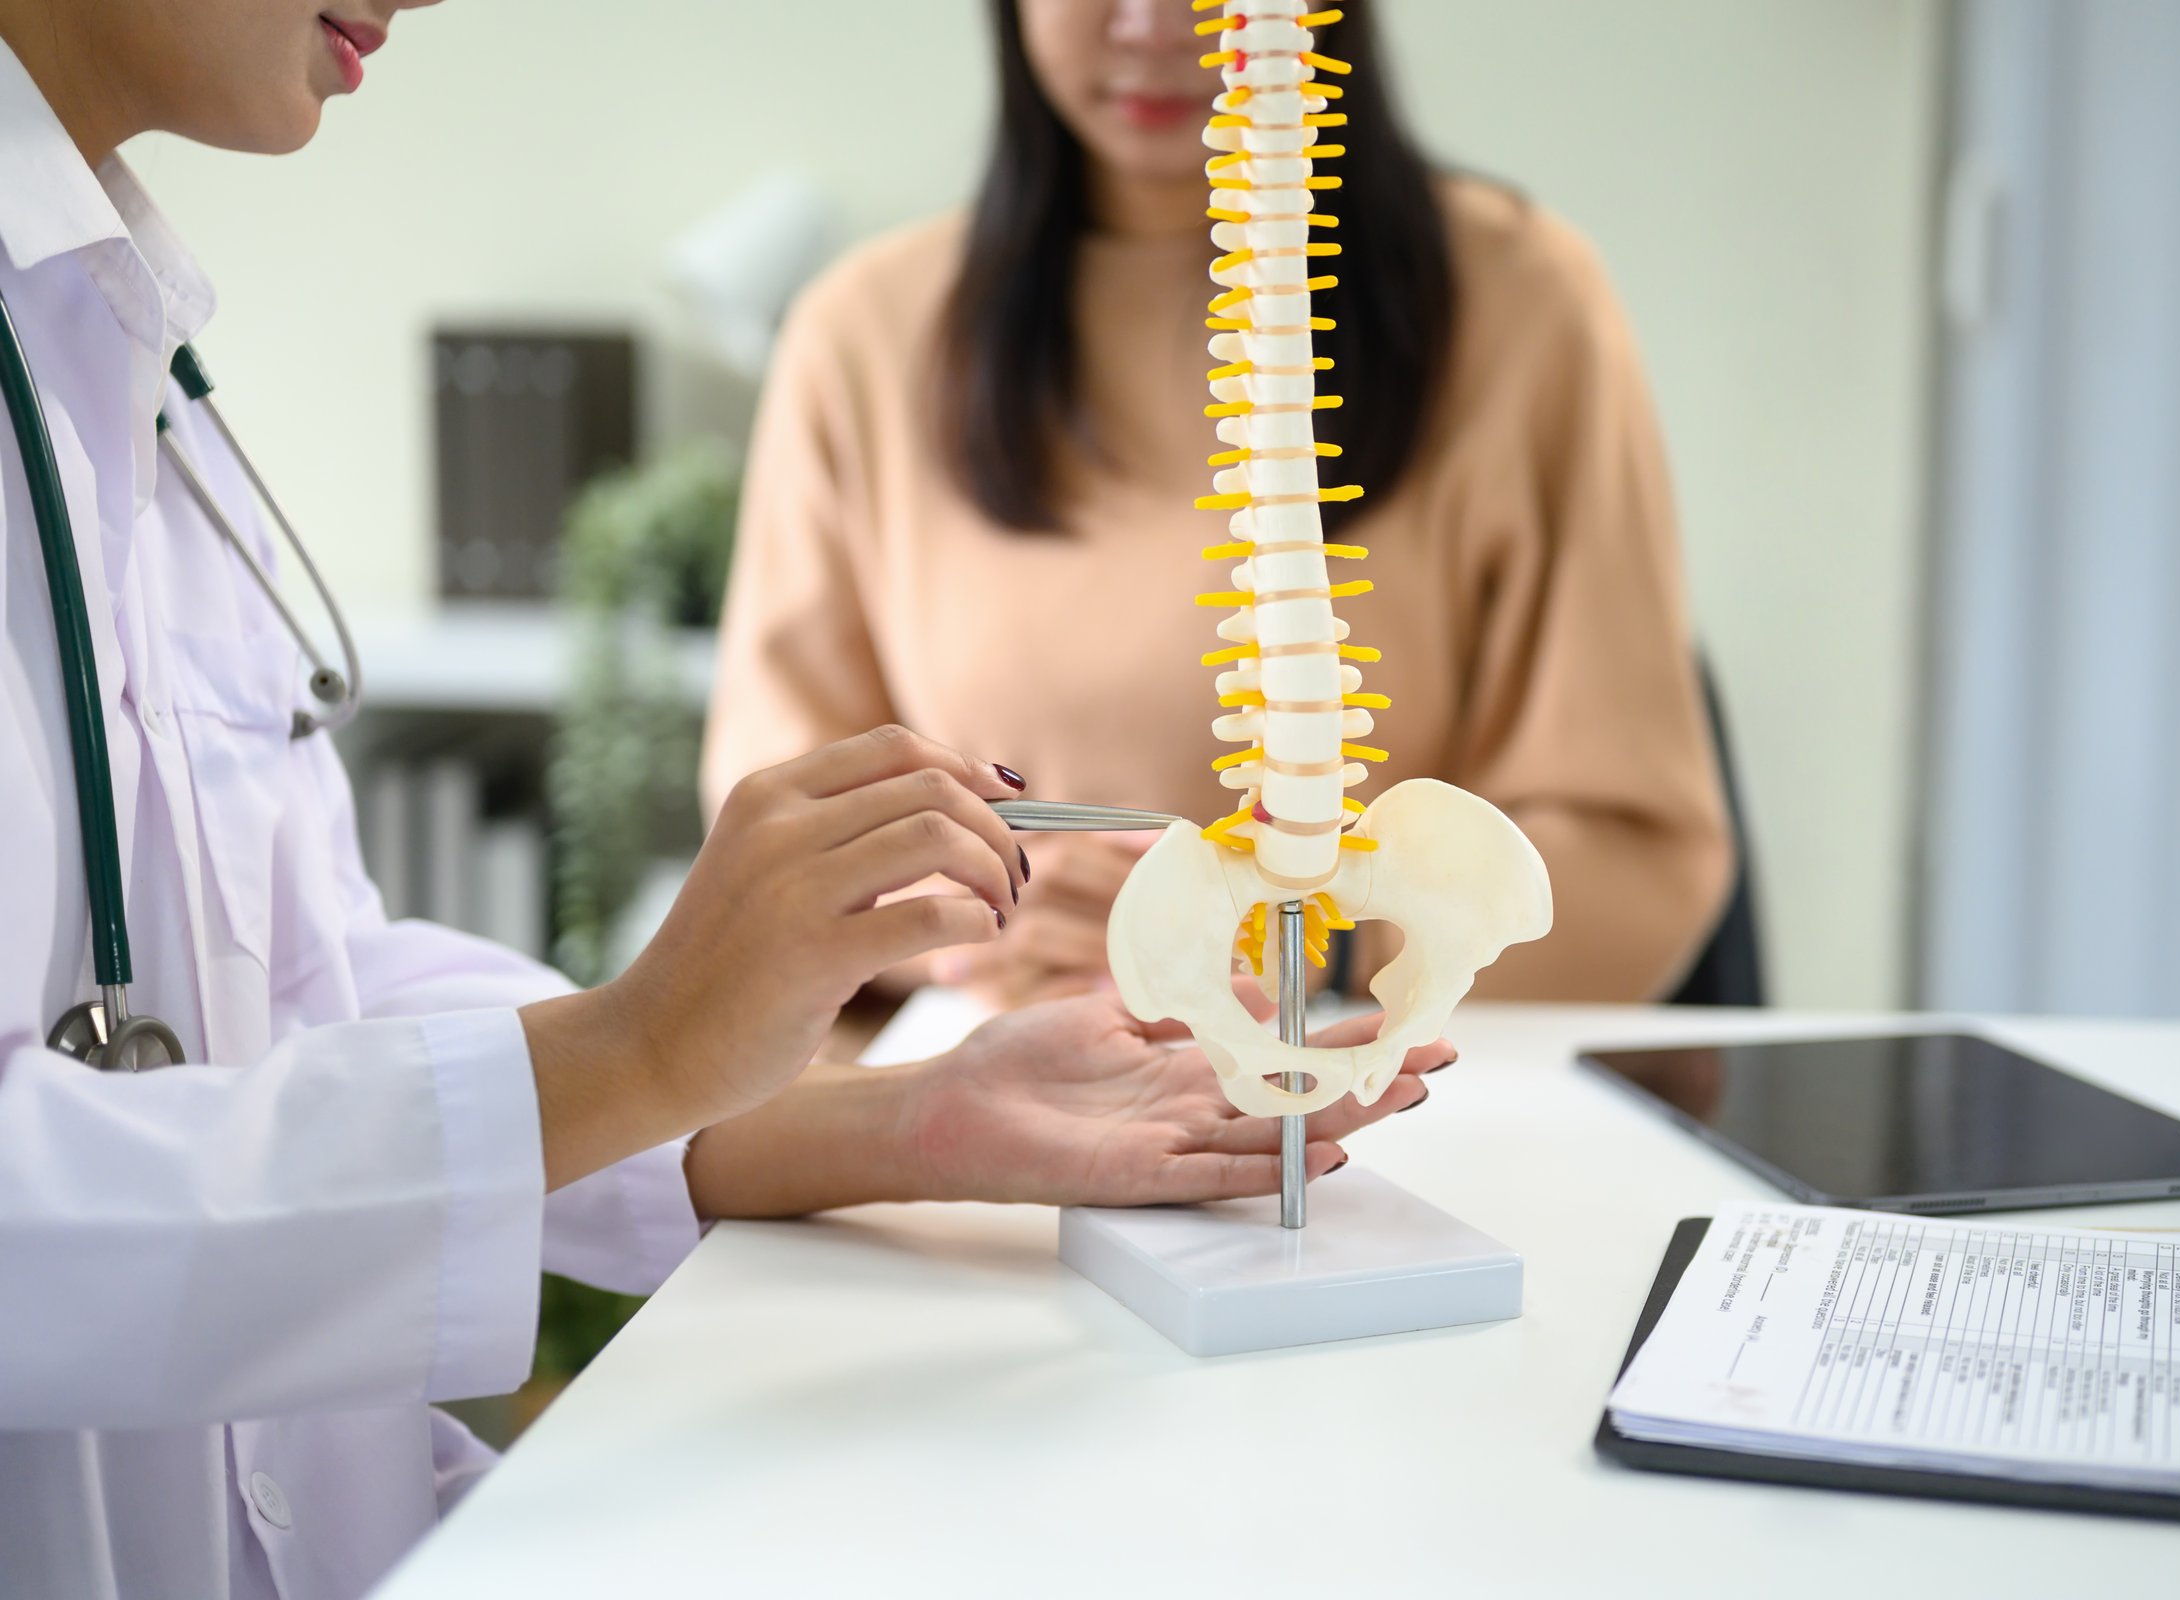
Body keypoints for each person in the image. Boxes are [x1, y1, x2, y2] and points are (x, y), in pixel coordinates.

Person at [0, 3, 1448, 1595]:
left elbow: (315, 996)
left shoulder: (114, 342)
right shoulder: (879, 331)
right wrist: (642, 1047)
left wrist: (888, 1120)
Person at [702, 0, 1734, 1011]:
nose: (1155, 24)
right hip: (1000, 1044)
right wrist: (984, 914)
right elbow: (783, 827)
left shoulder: (1522, 303)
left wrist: (1311, 942)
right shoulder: (864, 336)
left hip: (1385, 1059)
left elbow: (1634, 853)